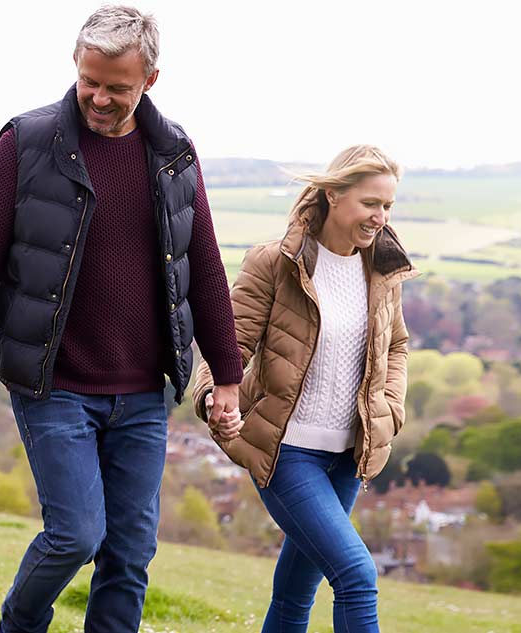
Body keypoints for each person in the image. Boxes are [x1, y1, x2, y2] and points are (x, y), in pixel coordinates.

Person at [0, 5, 242, 631]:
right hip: (54, 383)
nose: (98, 98)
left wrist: (228, 376)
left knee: (129, 554)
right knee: (75, 534)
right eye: (88, 81)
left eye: (116, 87)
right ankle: (19, 623)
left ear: (150, 80)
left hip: (142, 392)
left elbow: (203, 264)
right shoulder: (27, 142)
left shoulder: (175, 151)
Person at [190, 144, 418, 633]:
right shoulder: (276, 262)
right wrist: (214, 397)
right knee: (356, 575)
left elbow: (396, 346)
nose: (380, 217)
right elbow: (228, 343)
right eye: (370, 203)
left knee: (296, 593)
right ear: (335, 195)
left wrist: (389, 410)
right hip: (286, 452)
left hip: (348, 457)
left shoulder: (382, 270)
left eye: (388, 206)